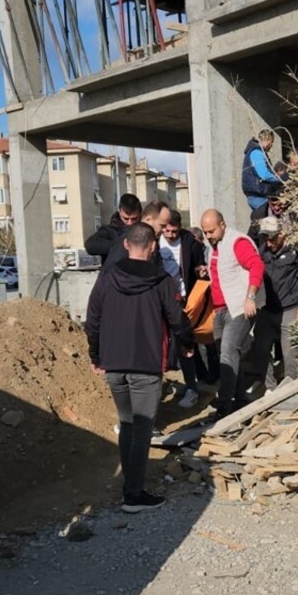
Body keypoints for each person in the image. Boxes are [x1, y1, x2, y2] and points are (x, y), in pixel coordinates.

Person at [86, 223, 193, 513]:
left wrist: (96, 356)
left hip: (114, 365)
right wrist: (188, 344)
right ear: (153, 246)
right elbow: (177, 319)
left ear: (125, 245)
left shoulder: (107, 278)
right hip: (146, 365)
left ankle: (129, 486)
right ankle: (133, 495)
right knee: (142, 428)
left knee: (127, 424)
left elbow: (92, 319)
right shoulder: (162, 281)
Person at [199, 208, 264, 419]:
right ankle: (240, 399)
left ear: (223, 225)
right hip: (220, 310)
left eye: (211, 231)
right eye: (205, 232)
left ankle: (224, 406)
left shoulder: (238, 242)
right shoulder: (212, 247)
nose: (208, 236)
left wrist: (250, 297)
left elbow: (256, 265)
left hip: (239, 307)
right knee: (225, 355)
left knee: (227, 351)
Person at [250, 216, 298, 391]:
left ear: (282, 234)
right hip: (267, 308)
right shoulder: (262, 251)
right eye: (265, 237)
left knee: (291, 354)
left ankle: (292, 390)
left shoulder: (297, 251)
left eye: (272, 237)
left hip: (291, 308)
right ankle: (269, 388)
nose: (269, 242)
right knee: (261, 349)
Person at [159, 211, 207, 408]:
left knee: (185, 343)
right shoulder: (154, 242)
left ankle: (191, 388)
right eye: (166, 230)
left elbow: (198, 264)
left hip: (182, 300)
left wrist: (200, 270)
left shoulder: (189, 243)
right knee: (159, 343)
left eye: (174, 231)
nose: (170, 234)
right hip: (160, 299)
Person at [102, 200, 171, 270]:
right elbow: (113, 273)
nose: (165, 230)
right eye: (162, 226)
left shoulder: (152, 241)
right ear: (148, 219)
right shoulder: (130, 239)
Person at [241, 129, 283, 222]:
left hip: (255, 195)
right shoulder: (257, 152)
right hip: (258, 195)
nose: (271, 146)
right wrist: (279, 180)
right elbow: (264, 174)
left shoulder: (253, 151)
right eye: (272, 143)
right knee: (270, 222)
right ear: (268, 141)